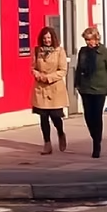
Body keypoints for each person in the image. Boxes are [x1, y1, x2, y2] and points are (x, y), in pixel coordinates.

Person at [75, 27, 107, 158]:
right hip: (85, 89)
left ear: (96, 38)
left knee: (97, 116)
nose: (88, 42)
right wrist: (77, 84)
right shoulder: (83, 52)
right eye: (86, 40)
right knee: (88, 117)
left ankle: (96, 144)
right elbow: (78, 69)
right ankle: (94, 136)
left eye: (90, 40)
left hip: (100, 89)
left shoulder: (105, 52)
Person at [31, 26, 69, 155]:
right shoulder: (37, 51)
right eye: (44, 38)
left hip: (55, 88)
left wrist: (48, 77)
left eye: (49, 38)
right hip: (41, 89)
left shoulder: (60, 51)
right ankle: (47, 143)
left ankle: (60, 132)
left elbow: (63, 70)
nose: (47, 40)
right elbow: (33, 67)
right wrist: (37, 74)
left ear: (53, 38)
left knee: (55, 116)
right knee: (43, 117)